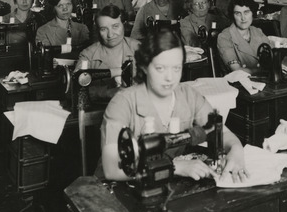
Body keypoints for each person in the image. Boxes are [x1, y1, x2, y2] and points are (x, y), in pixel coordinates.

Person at [100, 27, 247, 182]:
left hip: (165, 184)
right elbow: (111, 170)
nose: (169, 78)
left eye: (176, 68)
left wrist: (237, 150)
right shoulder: (122, 103)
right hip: (120, 189)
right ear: (144, 66)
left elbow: (222, 133)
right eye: (160, 68)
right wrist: (176, 167)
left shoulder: (188, 95)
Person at [75, 5, 141, 95]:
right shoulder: (88, 55)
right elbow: (75, 88)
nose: (110, 35)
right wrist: (108, 92)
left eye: (115, 26)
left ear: (124, 25)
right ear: (98, 31)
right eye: (103, 29)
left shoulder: (139, 48)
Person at [216, 0, 270, 73]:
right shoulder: (224, 37)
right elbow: (237, 70)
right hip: (240, 82)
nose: (243, 18)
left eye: (246, 12)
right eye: (238, 13)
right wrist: (266, 71)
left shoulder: (257, 31)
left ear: (253, 13)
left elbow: (272, 56)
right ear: (233, 16)